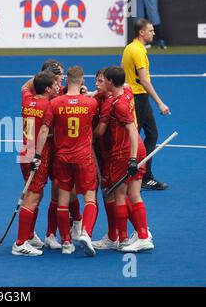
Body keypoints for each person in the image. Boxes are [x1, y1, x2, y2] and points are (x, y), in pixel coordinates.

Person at [34, 66, 98, 257]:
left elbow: (44, 130)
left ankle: (67, 243)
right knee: (89, 197)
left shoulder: (55, 103)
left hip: (62, 157)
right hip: (83, 157)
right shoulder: (90, 103)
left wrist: (36, 154)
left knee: (62, 200)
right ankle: (86, 232)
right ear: (82, 82)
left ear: (66, 80)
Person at [97, 66, 154, 252]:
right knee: (134, 194)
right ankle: (143, 235)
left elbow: (131, 129)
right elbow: (127, 83)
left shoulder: (118, 105)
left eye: (103, 80)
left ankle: (123, 240)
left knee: (120, 196)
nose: (101, 82)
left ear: (111, 82)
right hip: (138, 149)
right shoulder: (127, 92)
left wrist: (130, 160)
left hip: (124, 152)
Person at [13, 71, 59, 256]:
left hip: (24, 151)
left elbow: (25, 86)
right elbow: (42, 133)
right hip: (36, 155)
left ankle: (29, 235)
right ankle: (20, 243)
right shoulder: (48, 106)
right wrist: (38, 156)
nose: (58, 86)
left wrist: (40, 76)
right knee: (32, 197)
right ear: (47, 89)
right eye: (54, 84)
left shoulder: (27, 99)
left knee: (33, 196)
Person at [121, 18, 170, 190]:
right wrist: (160, 103)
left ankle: (140, 175)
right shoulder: (138, 51)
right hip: (138, 98)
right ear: (141, 32)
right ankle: (142, 177)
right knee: (141, 137)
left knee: (147, 134)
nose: (153, 33)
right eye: (150, 30)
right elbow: (144, 80)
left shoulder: (130, 47)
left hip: (134, 97)